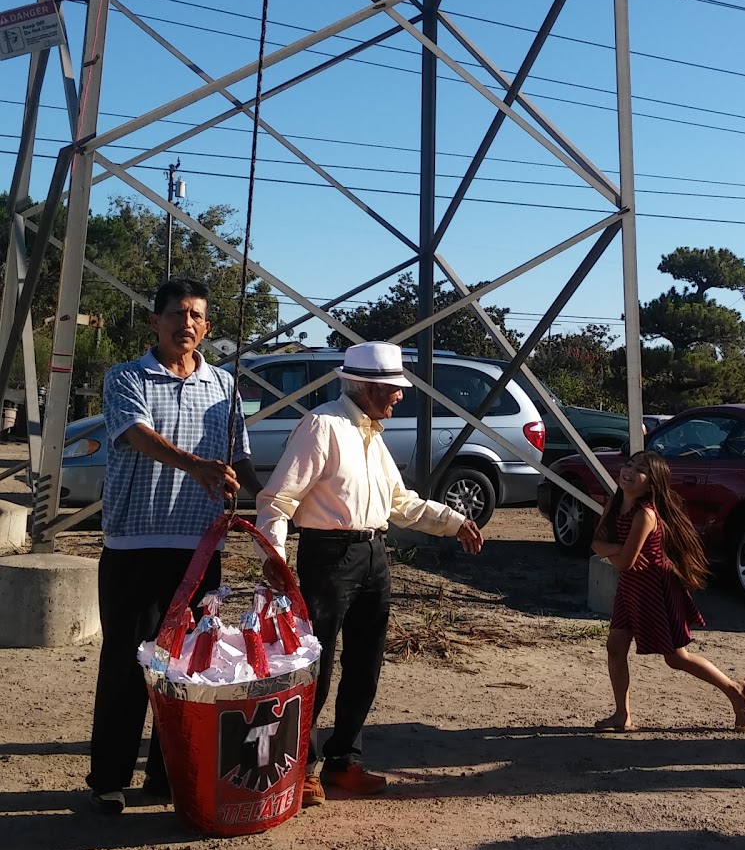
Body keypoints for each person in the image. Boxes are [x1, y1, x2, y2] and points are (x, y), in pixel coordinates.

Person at [256, 341, 484, 804]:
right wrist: (274, 558)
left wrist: (454, 521)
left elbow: (400, 504)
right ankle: (301, 766)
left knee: (365, 663)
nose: (399, 396)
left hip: (373, 554)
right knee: (313, 665)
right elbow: (278, 500)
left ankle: (344, 761)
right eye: (390, 388)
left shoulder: (372, 436)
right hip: (327, 556)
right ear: (362, 387)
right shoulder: (322, 426)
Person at [87, 277, 262, 815]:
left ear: (207, 328)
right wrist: (196, 466)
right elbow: (136, 434)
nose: (186, 323)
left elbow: (244, 463)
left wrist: (281, 502)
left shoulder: (224, 388)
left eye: (196, 316)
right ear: (155, 320)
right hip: (135, 544)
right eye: (176, 313)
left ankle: (168, 776)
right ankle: (110, 779)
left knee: (186, 666)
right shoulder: (126, 378)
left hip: (199, 548)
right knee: (127, 663)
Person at [591, 450, 745, 733]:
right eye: (629, 464)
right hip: (631, 587)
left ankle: (734, 689)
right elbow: (596, 543)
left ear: (652, 485)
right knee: (615, 647)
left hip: (655, 589)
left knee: (676, 657)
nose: (630, 471)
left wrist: (613, 552)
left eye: (640, 469)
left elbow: (625, 562)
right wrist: (615, 549)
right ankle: (622, 715)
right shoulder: (615, 503)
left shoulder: (645, 515)